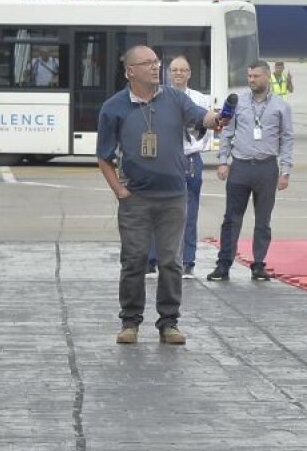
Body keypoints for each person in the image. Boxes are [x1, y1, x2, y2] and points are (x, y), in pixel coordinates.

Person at [96, 46, 224, 345]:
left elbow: (202, 117)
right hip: (135, 199)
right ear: (130, 71)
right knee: (134, 261)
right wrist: (120, 191)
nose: (155, 67)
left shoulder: (175, 98)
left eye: (156, 62)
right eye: (147, 63)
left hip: (173, 197)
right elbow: (104, 156)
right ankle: (130, 322)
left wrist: (217, 118)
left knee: (170, 262)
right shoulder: (113, 107)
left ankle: (169, 323)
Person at [207, 60, 295, 282]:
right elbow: (227, 132)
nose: (251, 80)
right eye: (249, 76)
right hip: (240, 167)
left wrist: (285, 171)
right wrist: (223, 161)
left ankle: (258, 264)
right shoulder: (238, 102)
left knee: (263, 220)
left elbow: (287, 139)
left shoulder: (281, 107)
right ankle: (224, 264)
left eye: (255, 76)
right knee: (231, 218)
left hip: (266, 168)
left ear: (266, 77)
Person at [146, 56, 211, 279]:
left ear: (189, 73)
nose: (179, 74)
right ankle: (152, 260)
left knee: (189, 213)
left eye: (183, 70)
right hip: (164, 160)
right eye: (175, 70)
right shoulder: (157, 96)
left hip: (190, 158)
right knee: (158, 210)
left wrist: (190, 147)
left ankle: (187, 261)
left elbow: (206, 130)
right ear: (169, 73)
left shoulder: (200, 99)